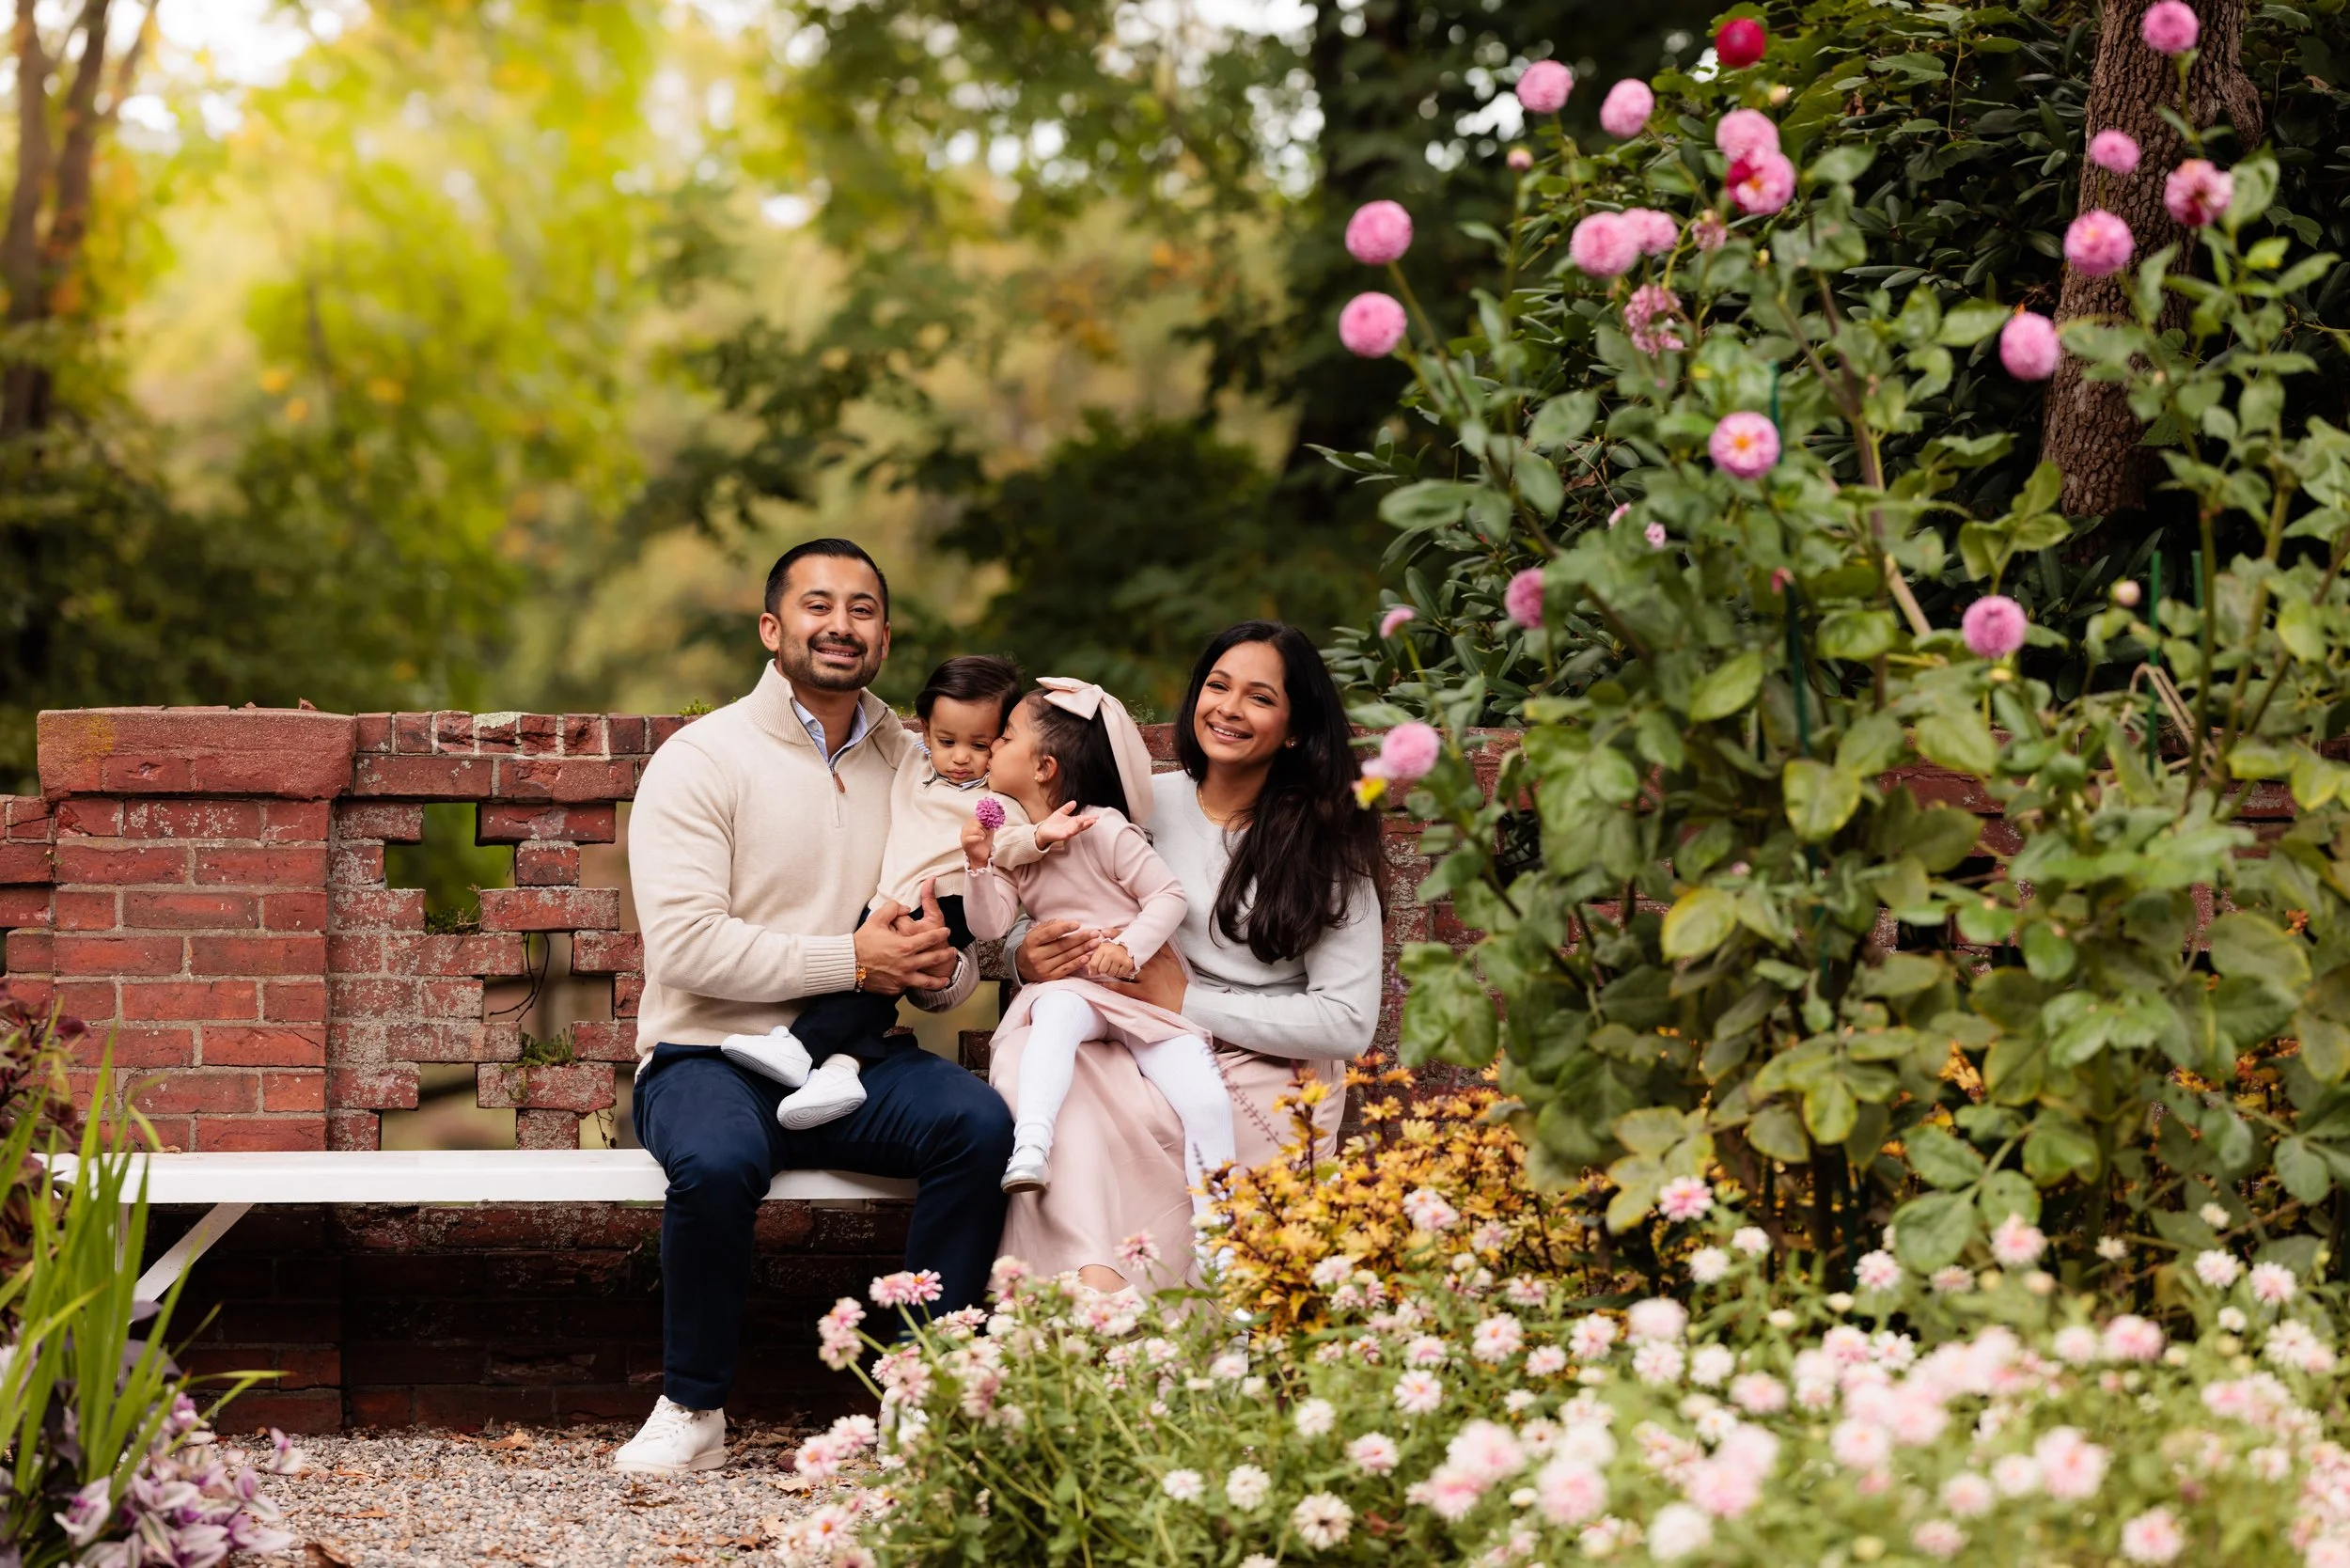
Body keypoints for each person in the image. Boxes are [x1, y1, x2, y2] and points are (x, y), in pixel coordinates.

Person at [614, 539, 1015, 1477]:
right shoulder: (701, 759)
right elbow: (684, 948)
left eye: (864, 608)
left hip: (855, 1062)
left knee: (975, 1123)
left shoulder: (918, 764)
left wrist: (930, 974)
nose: (842, 625)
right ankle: (693, 1407)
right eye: (818, 605)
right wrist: (852, 958)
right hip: (705, 1054)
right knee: (714, 1161)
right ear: (772, 627)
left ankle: (930, 1394)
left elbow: (945, 938)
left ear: (885, 634)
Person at [1000, 622, 1385, 1292]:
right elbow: (1048, 897)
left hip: (1263, 1066)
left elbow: (1348, 1022)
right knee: (1062, 1095)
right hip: (1126, 1044)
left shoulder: (1325, 841)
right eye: (1217, 686)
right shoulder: (1140, 802)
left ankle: (1184, 1346)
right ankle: (1088, 1299)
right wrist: (1023, 958)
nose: (1229, 708)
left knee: (1193, 1146)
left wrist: (1186, 1001)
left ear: (1294, 728)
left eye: (1259, 697)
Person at [717, 654, 1029, 1130]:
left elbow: (1015, 842)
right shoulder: (910, 763)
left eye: (980, 744)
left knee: (881, 972)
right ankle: (842, 1068)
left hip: (949, 900)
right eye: (947, 741)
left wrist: (1044, 837)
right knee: (873, 980)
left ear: (1002, 741)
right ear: (926, 732)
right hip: (890, 898)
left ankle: (800, 1048)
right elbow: (872, 718)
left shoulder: (998, 798)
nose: (962, 757)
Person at [963, 679, 1234, 1214]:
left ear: (1044, 767)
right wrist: (977, 865)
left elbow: (1168, 895)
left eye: (1006, 736)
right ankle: (1032, 1145)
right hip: (1075, 991)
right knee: (1057, 1016)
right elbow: (990, 924)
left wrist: (1130, 948)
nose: (991, 746)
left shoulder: (1104, 829)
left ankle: (1222, 1230)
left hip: (1139, 994)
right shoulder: (1018, 850)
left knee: (1204, 1096)